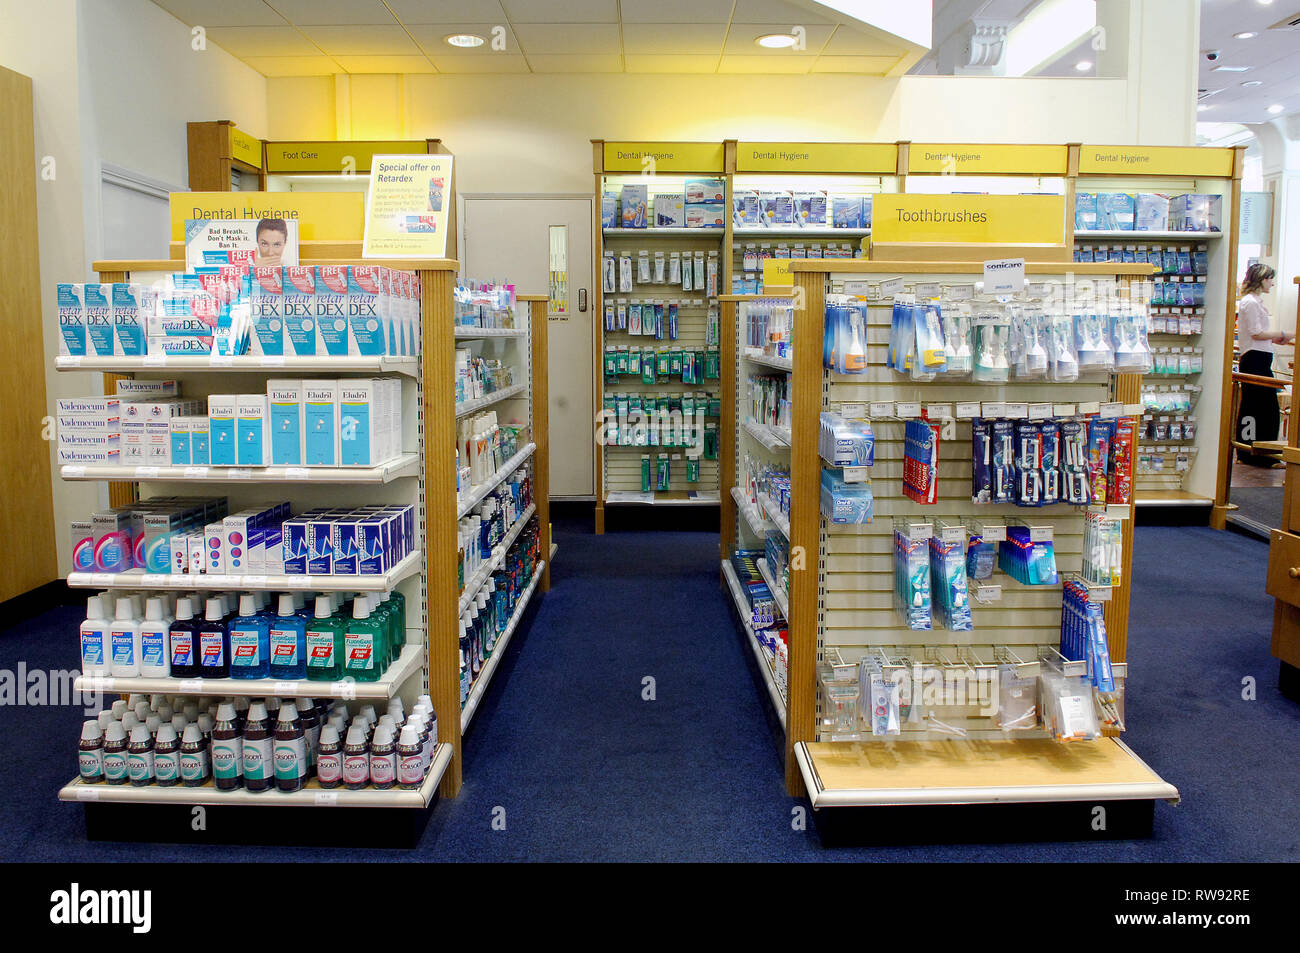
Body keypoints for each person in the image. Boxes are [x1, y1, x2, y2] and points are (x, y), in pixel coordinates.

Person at [1235, 263, 1290, 467]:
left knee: (1260, 407)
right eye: (1269, 279)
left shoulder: (1255, 302)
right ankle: (1258, 454)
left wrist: (1276, 339)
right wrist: (1282, 334)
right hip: (1254, 359)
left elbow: (1258, 334)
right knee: (1262, 408)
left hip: (1260, 357)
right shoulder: (1250, 302)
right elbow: (1256, 332)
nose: (1272, 283)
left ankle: (1253, 452)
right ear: (1260, 279)